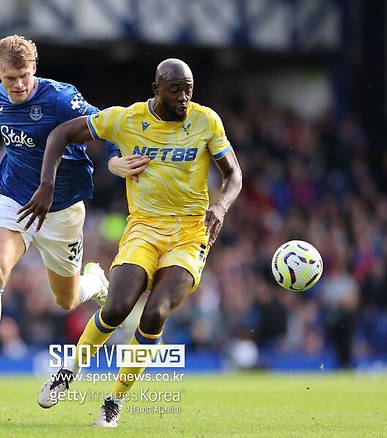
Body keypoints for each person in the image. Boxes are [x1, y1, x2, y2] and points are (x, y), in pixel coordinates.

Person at [19, 58, 243, 427]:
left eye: (188, 88)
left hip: (189, 234)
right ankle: (69, 372)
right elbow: (60, 135)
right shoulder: (126, 119)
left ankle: (115, 400)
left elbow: (233, 174)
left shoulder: (206, 121)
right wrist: (47, 184)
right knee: (117, 307)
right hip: (144, 228)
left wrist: (220, 205)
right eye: (175, 90)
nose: (184, 97)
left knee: (154, 313)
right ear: (156, 89)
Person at [0, 35, 150, 412]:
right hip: (14, 200)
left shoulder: (60, 98)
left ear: (35, 70)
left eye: (25, 76)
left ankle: (95, 281)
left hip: (62, 212)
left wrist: (113, 161)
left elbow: (107, 125)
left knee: (67, 299)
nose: (19, 85)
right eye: (11, 78)